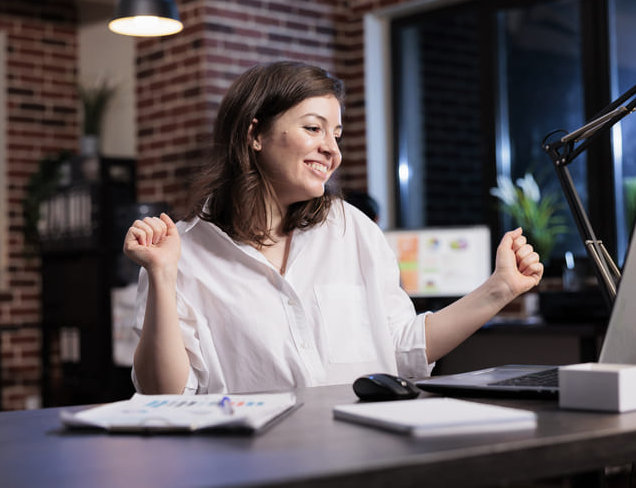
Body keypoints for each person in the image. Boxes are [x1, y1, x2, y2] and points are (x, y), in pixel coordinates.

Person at [123, 61, 543, 395]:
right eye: (313, 128)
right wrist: (161, 276)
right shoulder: (182, 251)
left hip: (362, 456)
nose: (332, 149)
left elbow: (403, 348)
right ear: (255, 134)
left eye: (337, 134)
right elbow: (167, 393)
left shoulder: (352, 228)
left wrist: (500, 288)